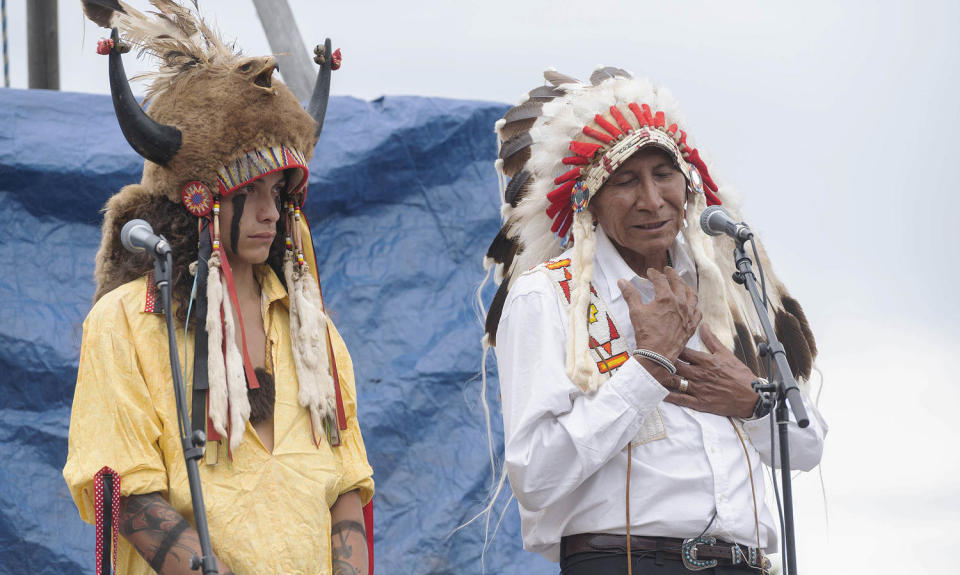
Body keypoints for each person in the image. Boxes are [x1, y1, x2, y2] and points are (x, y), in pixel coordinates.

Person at [63, 2, 373, 573]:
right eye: (248, 192)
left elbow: (345, 481)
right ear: (197, 200)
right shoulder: (127, 322)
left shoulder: (313, 332)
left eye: (279, 192)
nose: (270, 213)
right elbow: (126, 492)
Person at [482, 68, 827, 574]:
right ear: (589, 200)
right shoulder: (548, 296)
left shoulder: (726, 290)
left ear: (688, 183)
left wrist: (753, 403)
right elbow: (534, 475)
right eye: (625, 180)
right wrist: (647, 369)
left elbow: (807, 445)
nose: (651, 199)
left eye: (663, 174)